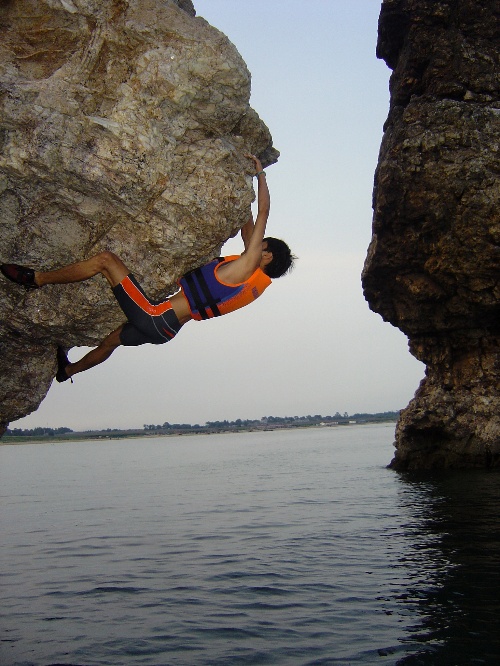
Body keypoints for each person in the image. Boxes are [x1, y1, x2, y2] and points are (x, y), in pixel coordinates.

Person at [1, 154, 294, 382]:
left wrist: (260, 175)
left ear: (265, 256)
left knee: (106, 261)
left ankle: (36, 279)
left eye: (260, 245)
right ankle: (68, 371)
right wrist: (242, 187)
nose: (254, 244)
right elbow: (248, 226)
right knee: (112, 341)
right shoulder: (249, 282)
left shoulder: (247, 267)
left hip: (154, 317)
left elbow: (262, 213)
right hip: (165, 331)